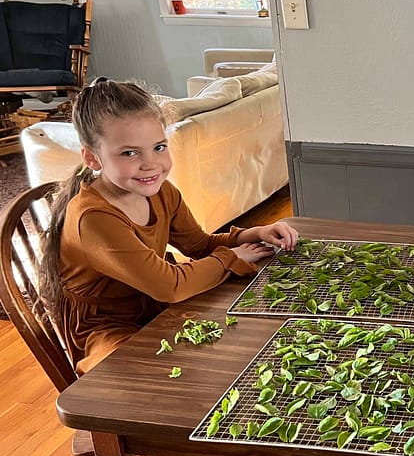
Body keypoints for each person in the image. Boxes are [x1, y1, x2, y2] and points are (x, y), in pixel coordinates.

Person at [39, 78, 297, 374]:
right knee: (161, 377)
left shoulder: (162, 192)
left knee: (244, 341)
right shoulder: (93, 217)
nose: (150, 164)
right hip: (106, 330)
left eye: (159, 147)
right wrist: (231, 257)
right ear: (92, 158)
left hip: (155, 306)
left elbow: (200, 246)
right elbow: (170, 286)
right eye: (129, 153)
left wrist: (254, 233)